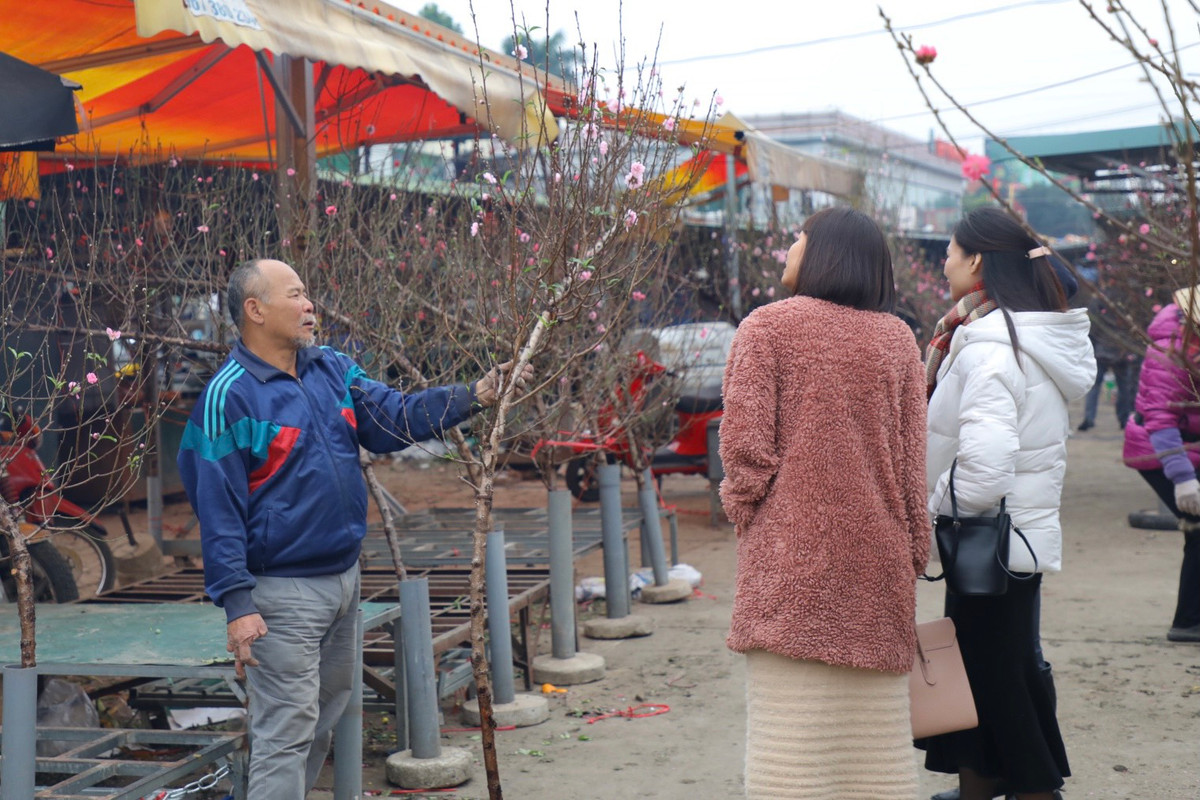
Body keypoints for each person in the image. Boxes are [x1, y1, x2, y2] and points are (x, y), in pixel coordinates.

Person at [177, 258, 531, 797]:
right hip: (281, 595)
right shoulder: (229, 397)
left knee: (321, 717)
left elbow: (394, 419)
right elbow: (217, 509)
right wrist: (238, 604)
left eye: (307, 293)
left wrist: (475, 395)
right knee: (285, 732)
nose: (309, 305)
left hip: (343, 581)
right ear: (255, 310)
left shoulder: (332, 369)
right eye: (294, 295)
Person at [719, 207, 929, 799]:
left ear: (824, 253)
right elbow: (912, 462)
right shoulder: (897, 338)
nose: (789, 248)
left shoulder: (767, 327)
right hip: (877, 562)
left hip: (791, 557)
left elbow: (745, 448)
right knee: (875, 754)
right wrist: (914, 545)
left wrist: (745, 511)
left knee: (789, 746)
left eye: (799, 238)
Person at [920, 207, 1094, 800]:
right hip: (1010, 539)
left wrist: (931, 509)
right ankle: (981, 784)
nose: (943, 264)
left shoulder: (991, 345)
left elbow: (986, 468)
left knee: (999, 680)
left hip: (988, 538)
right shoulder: (1012, 335)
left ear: (975, 260)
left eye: (949, 252)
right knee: (989, 671)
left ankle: (1034, 790)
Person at [1123, 285, 1200, 642]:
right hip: (1159, 448)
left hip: (1189, 443)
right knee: (1199, 527)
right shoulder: (1172, 347)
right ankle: (1188, 623)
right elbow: (1160, 418)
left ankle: (1189, 620)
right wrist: (1183, 479)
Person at [1079, 295, 1140, 431]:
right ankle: (1123, 419)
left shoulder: (1098, 300)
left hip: (1102, 351)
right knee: (1123, 387)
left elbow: (1091, 328)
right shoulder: (1127, 299)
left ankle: (1089, 418)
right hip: (1120, 351)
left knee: (1095, 386)